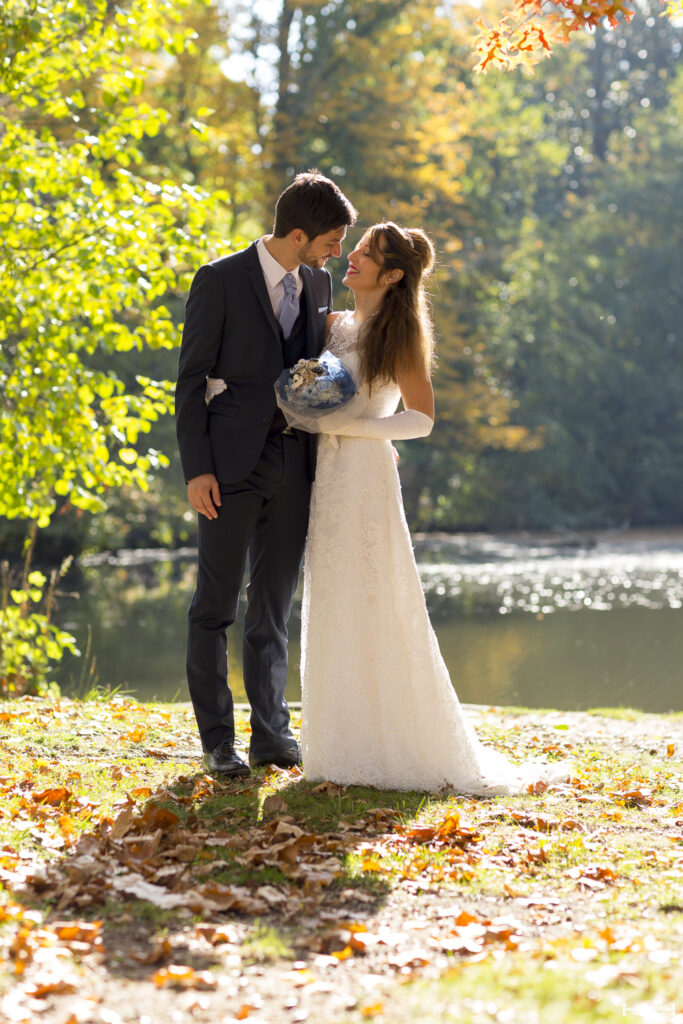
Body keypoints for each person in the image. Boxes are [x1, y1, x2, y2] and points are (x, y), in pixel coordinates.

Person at [300, 222, 570, 794]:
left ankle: (391, 746)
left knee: (374, 599)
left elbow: (419, 420)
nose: (352, 257)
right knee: (333, 597)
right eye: (357, 248)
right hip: (327, 477)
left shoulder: (399, 336)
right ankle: (336, 746)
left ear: (393, 274)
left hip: (364, 477)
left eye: (367, 255)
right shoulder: (332, 324)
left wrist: (358, 427)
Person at [175, 171, 357, 777]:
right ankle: (217, 743)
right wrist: (197, 468)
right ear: (299, 233)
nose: (336, 252)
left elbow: (317, 369)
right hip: (226, 470)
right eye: (331, 240)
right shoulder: (219, 279)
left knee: (272, 609)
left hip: (294, 467)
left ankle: (271, 737)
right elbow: (190, 381)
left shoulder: (319, 281)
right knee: (215, 607)